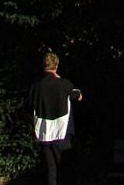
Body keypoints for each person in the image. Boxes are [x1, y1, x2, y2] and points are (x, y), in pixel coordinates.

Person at [29, 50, 82, 185]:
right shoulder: (64, 84)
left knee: (51, 171)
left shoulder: (36, 86)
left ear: (43, 66)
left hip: (44, 133)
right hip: (61, 132)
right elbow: (78, 96)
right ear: (56, 65)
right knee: (64, 170)